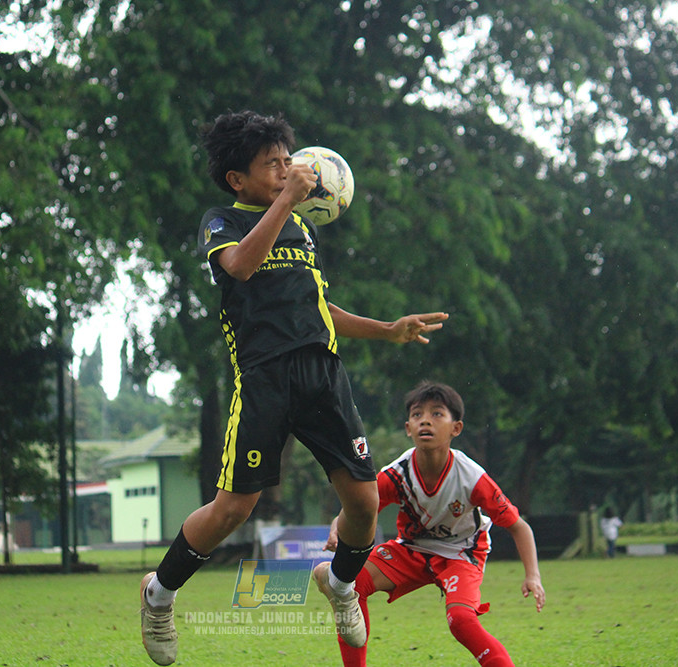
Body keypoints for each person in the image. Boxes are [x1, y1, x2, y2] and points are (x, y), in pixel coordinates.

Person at [138, 110, 449, 666]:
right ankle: (159, 593)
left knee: (362, 502)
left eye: (290, 161)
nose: (288, 171)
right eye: (272, 165)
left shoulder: (302, 227)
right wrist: (286, 201)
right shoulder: (223, 221)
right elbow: (239, 267)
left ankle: (340, 581)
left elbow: (317, 306)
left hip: (322, 375)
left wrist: (386, 329)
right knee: (234, 508)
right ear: (238, 179)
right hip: (264, 377)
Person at [321, 380, 545, 667]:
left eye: (437, 414)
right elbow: (359, 505)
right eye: (417, 415)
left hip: (461, 553)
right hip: (411, 549)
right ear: (408, 428)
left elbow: (519, 526)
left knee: (461, 621)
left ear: (456, 428)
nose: (425, 420)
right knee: (348, 587)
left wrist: (533, 576)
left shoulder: (472, 478)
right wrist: (336, 526)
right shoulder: (398, 473)